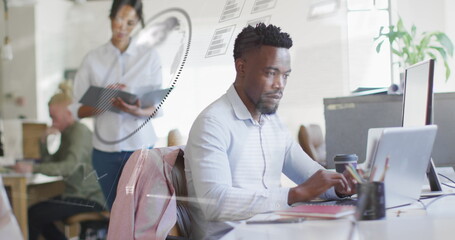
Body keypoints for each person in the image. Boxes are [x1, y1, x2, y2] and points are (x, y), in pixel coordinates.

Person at [184, 23, 357, 239]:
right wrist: (294, 194)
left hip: (274, 230)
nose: (280, 84)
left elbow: (313, 177)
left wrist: (341, 186)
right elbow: (216, 203)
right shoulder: (212, 123)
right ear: (242, 67)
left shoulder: (273, 123)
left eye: (285, 76)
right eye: (271, 73)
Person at [70, 0, 163, 210]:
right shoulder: (92, 59)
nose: (123, 27)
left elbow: (156, 107)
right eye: (120, 19)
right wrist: (104, 100)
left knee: (143, 213)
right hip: (105, 153)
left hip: (141, 148)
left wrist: (135, 110)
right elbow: (77, 110)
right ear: (111, 17)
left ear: (137, 23)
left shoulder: (149, 56)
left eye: (130, 23)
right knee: (117, 215)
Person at [14, 82, 104, 240]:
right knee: (33, 214)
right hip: (74, 194)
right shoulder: (68, 132)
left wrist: (31, 169)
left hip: (88, 197)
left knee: (34, 215)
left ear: (69, 113)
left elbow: (67, 167)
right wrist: (44, 143)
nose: (52, 122)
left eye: (54, 117)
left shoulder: (79, 132)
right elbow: (54, 162)